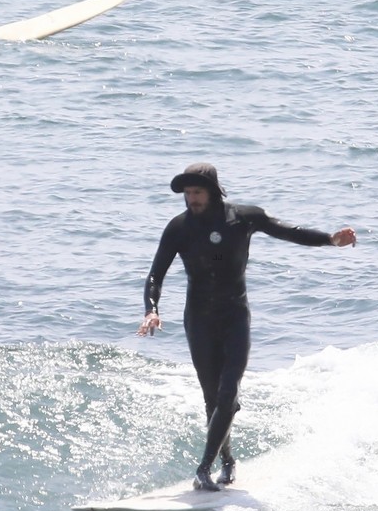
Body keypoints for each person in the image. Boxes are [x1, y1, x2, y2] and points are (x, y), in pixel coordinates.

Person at [137, 163, 357, 491]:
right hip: (198, 320)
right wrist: (151, 310)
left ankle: (203, 468)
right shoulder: (179, 228)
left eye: (197, 192)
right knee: (213, 398)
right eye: (187, 193)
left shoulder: (243, 218)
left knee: (228, 391)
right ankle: (227, 461)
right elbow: (156, 274)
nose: (191, 199)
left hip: (234, 317)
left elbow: (288, 231)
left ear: (212, 190)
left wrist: (329, 239)